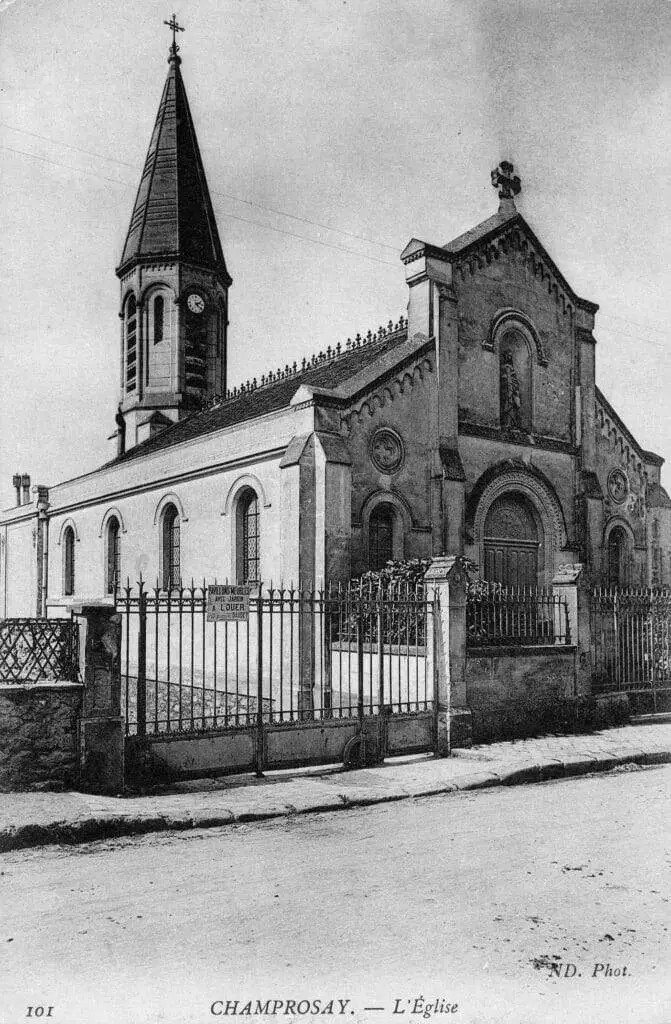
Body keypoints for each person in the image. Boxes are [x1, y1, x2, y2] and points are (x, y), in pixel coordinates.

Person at [500, 350, 521, 429]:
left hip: (512, 389)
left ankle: (511, 423)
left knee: (512, 405)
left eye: (510, 356)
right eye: (508, 355)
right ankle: (507, 423)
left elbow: (512, 379)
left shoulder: (510, 367)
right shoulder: (506, 367)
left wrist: (514, 389)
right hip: (508, 389)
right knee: (508, 403)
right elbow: (508, 378)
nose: (509, 357)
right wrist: (510, 389)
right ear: (505, 356)